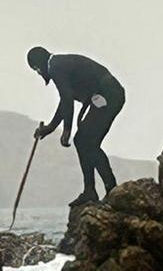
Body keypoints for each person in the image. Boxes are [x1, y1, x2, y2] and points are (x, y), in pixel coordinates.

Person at [28, 46, 125, 205]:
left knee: (84, 141)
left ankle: (104, 189)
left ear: (38, 66)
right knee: (84, 141)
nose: (39, 74)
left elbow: (67, 98)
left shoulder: (55, 67)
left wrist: (66, 130)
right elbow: (65, 101)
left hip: (109, 94)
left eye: (37, 70)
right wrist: (50, 128)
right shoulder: (59, 64)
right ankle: (96, 190)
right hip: (107, 95)